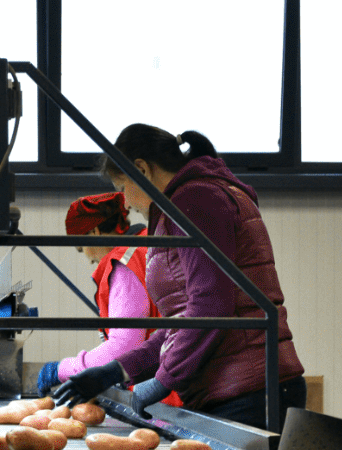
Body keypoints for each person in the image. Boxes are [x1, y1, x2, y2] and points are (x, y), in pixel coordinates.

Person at [52, 125, 306, 431]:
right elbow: (183, 322)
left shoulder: (195, 200)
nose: (126, 202)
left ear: (142, 169)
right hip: (240, 387)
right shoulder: (188, 202)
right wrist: (117, 370)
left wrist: (162, 380)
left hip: (248, 391)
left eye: (122, 187)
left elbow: (211, 307)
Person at [33, 191, 180, 409]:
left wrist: (61, 369)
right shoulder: (148, 243)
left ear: (94, 231)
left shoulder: (125, 263)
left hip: (162, 397)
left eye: (81, 247)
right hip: (174, 379)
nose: (88, 258)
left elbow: (124, 346)